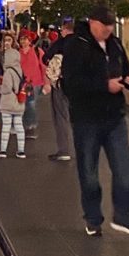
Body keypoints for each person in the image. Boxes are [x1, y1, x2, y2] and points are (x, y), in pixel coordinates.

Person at [60, 5, 129, 236]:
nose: (108, 30)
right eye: (104, 25)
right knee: (88, 171)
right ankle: (93, 218)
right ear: (92, 23)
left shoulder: (115, 44)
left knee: (124, 167)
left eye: (111, 26)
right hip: (87, 118)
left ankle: (123, 216)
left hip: (114, 116)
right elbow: (71, 84)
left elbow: (125, 71)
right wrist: (103, 86)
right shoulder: (77, 46)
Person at [42, 21, 75, 162]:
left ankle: (64, 150)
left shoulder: (60, 43)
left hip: (62, 84)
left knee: (61, 116)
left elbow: (45, 58)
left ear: (65, 30)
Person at [0, 32, 27, 158]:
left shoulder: (8, 72)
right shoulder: (20, 70)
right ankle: (21, 150)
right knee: (19, 126)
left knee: (6, 127)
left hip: (8, 102)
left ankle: (3, 150)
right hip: (19, 102)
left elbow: (7, 88)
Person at [19, 32, 47, 138]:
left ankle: (31, 127)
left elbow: (44, 67)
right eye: (21, 39)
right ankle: (23, 126)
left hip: (35, 83)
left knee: (31, 104)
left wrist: (46, 83)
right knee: (22, 105)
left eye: (25, 39)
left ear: (30, 40)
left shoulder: (37, 51)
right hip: (22, 83)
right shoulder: (18, 52)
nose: (23, 41)